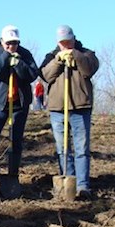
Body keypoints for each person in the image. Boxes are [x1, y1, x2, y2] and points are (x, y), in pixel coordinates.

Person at [39, 25, 99, 200]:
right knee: (62, 149)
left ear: (74, 38)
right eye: (62, 43)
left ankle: (82, 186)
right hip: (58, 109)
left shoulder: (87, 53)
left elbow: (89, 70)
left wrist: (76, 56)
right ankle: (67, 181)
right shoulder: (50, 56)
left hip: (80, 107)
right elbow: (45, 75)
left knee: (81, 148)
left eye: (68, 42)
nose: (65, 46)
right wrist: (58, 60)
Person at [0, 25, 39, 181]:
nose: (11, 46)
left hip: (19, 103)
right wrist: (6, 58)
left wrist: (18, 63)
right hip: (0, 102)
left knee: (15, 140)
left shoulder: (25, 54)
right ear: (2, 41)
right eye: (8, 43)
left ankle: (13, 175)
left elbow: (32, 74)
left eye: (14, 43)